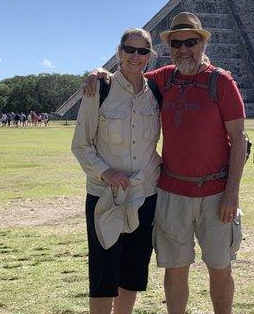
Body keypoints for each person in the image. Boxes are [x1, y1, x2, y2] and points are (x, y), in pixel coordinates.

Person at [85, 12, 246, 314]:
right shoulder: (163, 79)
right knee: (175, 269)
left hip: (215, 193)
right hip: (172, 192)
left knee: (220, 267)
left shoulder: (221, 81)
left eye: (190, 42)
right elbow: (129, 77)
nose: (183, 49)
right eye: (176, 43)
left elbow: (239, 139)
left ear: (202, 43)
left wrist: (232, 193)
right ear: (170, 48)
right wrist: (99, 72)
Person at [73, 28, 161, 314]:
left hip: (145, 194)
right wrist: (105, 172)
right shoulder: (100, 88)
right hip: (106, 196)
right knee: (103, 273)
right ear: (119, 52)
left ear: (150, 56)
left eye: (143, 51)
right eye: (130, 50)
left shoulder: (157, 92)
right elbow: (81, 145)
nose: (136, 56)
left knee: (132, 273)